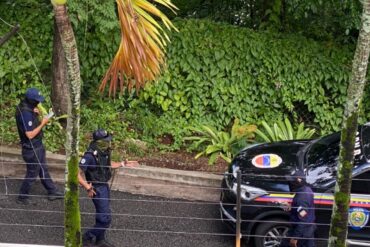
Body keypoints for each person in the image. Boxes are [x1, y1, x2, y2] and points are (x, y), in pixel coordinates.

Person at [78, 129, 139, 247]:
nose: (109, 143)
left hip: (104, 186)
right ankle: (86, 238)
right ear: (99, 142)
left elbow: (108, 165)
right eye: (106, 141)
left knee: (103, 214)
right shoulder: (89, 156)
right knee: (105, 219)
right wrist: (87, 187)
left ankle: (100, 240)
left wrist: (123, 164)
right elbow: (76, 174)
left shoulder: (104, 151)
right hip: (97, 188)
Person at [15, 88, 63, 205]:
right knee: (32, 173)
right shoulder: (25, 113)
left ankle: (52, 191)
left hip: (37, 145)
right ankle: (22, 196)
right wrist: (43, 122)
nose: (38, 102)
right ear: (31, 101)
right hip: (31, 149)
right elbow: (30, 134)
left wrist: (34, 112)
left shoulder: (27, 107)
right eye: (36, 100)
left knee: (43, 168)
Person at [280, 170, 316, 247]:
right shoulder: (306, 189)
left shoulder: (301, 198)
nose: (290, 183)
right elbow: (305, 211)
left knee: (284, 245)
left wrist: (295, 238)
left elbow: (302, 220)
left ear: (298, 182)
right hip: (309, 228)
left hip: (302, 231)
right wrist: (292, 207)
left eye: (292, 181)